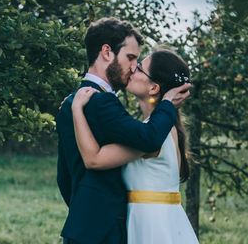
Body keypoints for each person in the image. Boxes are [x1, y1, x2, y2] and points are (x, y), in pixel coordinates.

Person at [56, 18, 191, 244]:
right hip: (108, 230)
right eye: (131, 59)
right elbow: (96, 160)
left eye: (138, 65)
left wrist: (84, 211)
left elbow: (66, 177)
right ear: (107, 52)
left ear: (154, 87)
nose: (132, 68)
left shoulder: (71, 102)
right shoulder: (103, 103)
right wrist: (167, 102)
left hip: (143, 226)